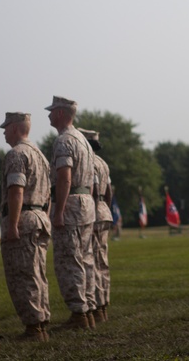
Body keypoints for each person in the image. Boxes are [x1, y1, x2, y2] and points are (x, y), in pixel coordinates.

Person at [0, 112, 52, 341]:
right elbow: (49, 194)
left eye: (5, 127)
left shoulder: (17, 154)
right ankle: (41, 323)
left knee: (23, 274)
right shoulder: (40, 155)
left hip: (24, 219)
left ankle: (33, 327)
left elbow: (16, 190)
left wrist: (12, 225)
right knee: (38, 273)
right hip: (39, 216)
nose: (3, 132)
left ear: (15, 128)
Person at [46, 95, 96, 329]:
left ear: (60, 114)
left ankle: (79, 314)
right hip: (85, 202)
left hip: (72, 204)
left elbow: (65, 178)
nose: (48, 114)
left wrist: (59, 211)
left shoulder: (64, 140)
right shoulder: (83, 140)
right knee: (85, 258)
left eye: (51, 111)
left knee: (70, 260)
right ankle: (89, 309)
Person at [86, 130, 113, 323]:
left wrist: (93, 211)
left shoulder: (89, 163)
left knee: (93, 261)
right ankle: (103, 304)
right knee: (102, 260)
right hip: (104, 211)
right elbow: (109, 192)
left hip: (95, 212)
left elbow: (94, 191)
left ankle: (96, 307)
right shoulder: (103, 163)